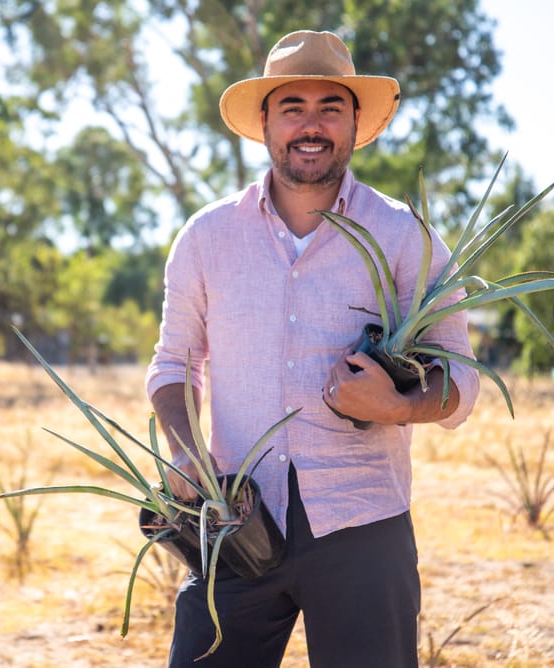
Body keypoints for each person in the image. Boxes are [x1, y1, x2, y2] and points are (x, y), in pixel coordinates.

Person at [145, 30, 480, 667]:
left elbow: (459, 378)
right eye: (292, 106)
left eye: (331, 106)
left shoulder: (406, 237)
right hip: (234, 516)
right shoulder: (206, 237)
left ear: (356, 121)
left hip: (364, 525)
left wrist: (397, 405)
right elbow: (174, 361)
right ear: (265, 121)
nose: (311, 124)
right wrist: (185, 452)